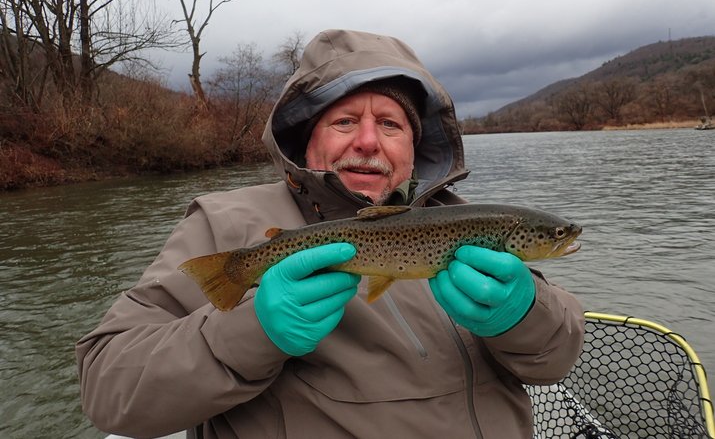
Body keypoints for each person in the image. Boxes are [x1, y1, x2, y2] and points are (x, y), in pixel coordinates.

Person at [77, 29, 584, 438]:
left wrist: (524, 315)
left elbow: (556, 360)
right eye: (344, 121)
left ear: (414, 145)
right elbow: (108, 392)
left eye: (390, 124)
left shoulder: (467, 219)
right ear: (307, 136)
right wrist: (250, 332)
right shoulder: (224, 222)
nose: (368, 141)